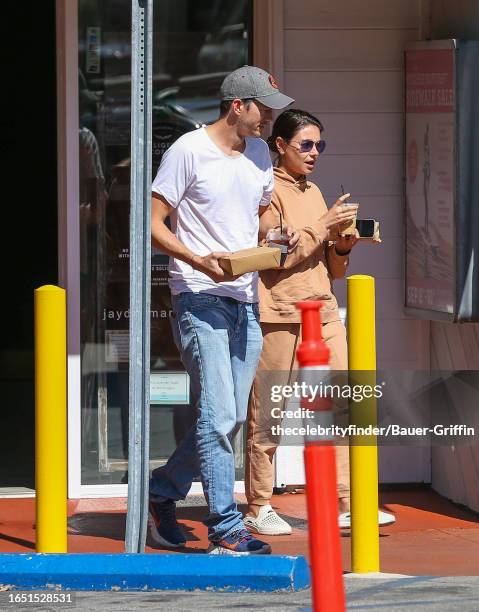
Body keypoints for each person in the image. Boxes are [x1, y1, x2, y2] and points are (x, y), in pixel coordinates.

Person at [148, 66, 294, 555]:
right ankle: (226, 526)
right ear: (238, 106)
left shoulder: (257, 154)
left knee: (225, 418)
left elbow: (259, 218)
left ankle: (163, 491)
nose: (270, 116)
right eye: (264, 106)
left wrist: (275, 238)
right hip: (198, 295)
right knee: (218, 416)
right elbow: (152, 223)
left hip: (245, 300)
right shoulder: (188, 151)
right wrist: (197, 260)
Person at [243, 109, 395, 535]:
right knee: (268, 412)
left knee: (342, 404)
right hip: (280, 313)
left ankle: (348, 502)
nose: (314, 153)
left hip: (323, 309)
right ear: (280, 145)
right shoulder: (267, 191)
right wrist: (322, 225)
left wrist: (342, 246)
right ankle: (258, 505)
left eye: (319, 145)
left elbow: (334, 269)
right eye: (305, 145)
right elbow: (277, 256)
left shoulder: (315, 191)